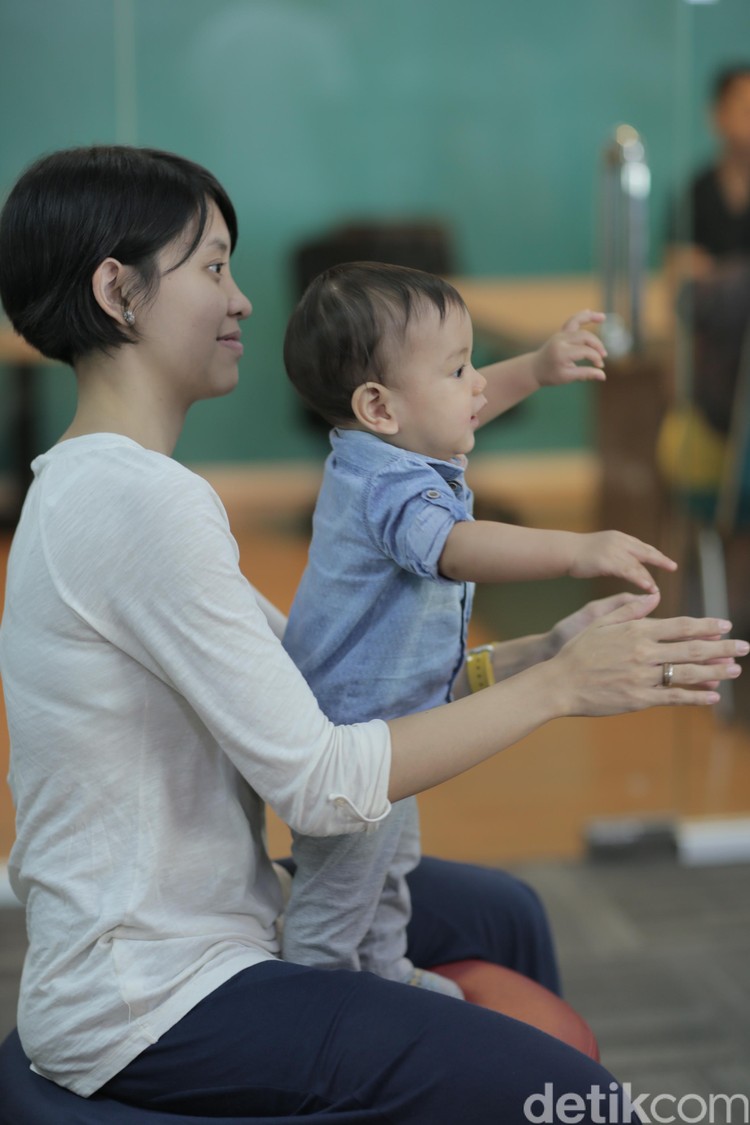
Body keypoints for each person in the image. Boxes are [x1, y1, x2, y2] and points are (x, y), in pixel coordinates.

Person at [0, 144, 744, 1123]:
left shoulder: (119, 488)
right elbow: (319, 780)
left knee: (503, 914)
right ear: (118, 290)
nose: (244, 301)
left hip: (214, 916)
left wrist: (545, 652)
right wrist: (558, 689)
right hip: (148, 995)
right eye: (214, 267)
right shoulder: (132, 504)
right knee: (574, 1098)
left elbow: (308, 683)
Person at [280, 261, 678, 997]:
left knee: (392, 866)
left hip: (395, 725)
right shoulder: (387, 486)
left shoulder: (391, 448)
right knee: (335, 899)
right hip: (356, 742)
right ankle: (315, 1002)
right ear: (378, 405)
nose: (477, 385)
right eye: (459, 368)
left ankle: (385, 972)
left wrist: (535, 365)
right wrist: (576, 547)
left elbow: (460, 411)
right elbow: (455, 546)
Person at [658, 64, 750, 621]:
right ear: (717, 116)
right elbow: (685, 290)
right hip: (718, 395)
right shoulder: (699, 191)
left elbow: (699, 289)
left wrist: (717, 279)